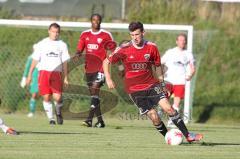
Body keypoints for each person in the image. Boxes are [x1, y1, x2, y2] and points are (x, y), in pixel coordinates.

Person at [103, 21, 203, 142]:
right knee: (154, 117)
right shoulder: (124, 49)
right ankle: (168, 137)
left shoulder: (152, 47)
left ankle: (188, 135)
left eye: (137, 34)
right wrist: (108, 78)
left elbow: (158, 67)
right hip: (135, 90)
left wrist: (162, 84)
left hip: (151, 85)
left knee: (169, 108)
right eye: (132, 35)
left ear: (143, 32)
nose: (135, 38)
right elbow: (106, 62)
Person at [75, 13, 115, 128]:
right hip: (89, 69)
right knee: (94, 95)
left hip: (101, 68)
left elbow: (113, 50)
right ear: (91, 21)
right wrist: (77, 54)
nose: (96, 22)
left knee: (95, 89)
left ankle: (88, 120)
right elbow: (79, 48)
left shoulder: (106, 35)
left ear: (100, 21)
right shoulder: (85, 34)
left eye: (98, 20)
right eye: (94, 20)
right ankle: (101, 122)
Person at [26, 23, 70, 125]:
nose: (55, 34)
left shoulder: (62, 45)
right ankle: (51, 119)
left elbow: (65, 63)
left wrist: (66, 77)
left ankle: (58, 112)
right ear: (49, 31)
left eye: (57, 32)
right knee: (46, 97)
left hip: (56, 73)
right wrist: (29, 75)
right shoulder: (42, 44)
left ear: (59, 33)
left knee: (57, 97)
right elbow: (35, 60)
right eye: (53, 31)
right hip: (44, 73)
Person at [161, 33, 195, 127]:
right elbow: (160, 62)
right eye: (180, 40)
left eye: (184, 40)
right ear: (176, 41)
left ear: (186, 42)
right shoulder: (170, 52)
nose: (182, 42)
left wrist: (190, 75)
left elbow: (192, 68)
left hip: (180, 81)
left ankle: (172, 121)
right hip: (168, 81)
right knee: (163, 101)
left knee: (176, 103)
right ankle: (160, 114)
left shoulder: (188, 54)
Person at [20, 44, 39, 118]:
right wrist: (24, 78)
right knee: (34, 94)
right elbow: (27, 68)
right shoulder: (31, 58)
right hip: (35, 78)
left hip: (44, 76)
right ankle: (32, 111)